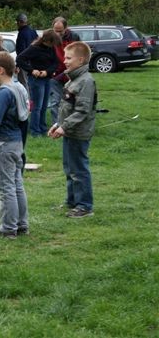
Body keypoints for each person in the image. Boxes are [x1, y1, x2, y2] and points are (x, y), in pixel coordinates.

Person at [48, 41, 96, 218]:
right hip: (69, 131)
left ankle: (84, 206)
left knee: (79, 169)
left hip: (78, 132)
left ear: (81, 59)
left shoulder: (86, 81)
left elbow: (82, 110)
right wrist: (57, 125)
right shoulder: (72, 79)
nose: (65, 61)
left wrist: (64, 127)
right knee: (69, 168)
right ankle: (72, 201)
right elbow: (66, 107)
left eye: (69, 58)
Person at [0, 52, 30, 239]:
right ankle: (21, 224)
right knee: (17, 184)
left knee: (5, 187)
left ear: (1, 70)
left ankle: (8, 228)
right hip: (16, 141)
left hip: (3, 143)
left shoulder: (4, 92)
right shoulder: (19, 87)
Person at [16, 29, 61, 137]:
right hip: (36, 80)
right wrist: (32, 70)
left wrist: (47, 72)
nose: (53, 45)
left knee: (45, 105)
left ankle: (42, 128)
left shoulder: (51, 49)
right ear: (46, 40)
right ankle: (35, 130)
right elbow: (20, 59)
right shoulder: (34, 48)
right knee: (37, 106)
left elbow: (56, 63)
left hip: (47, 79)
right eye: (52, 43)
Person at [50, 17, 80, 124]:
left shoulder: (74, 37)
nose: (58, 34)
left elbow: (80, 55)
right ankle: (56, 125)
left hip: (71, 75)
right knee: (55, 102)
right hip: (55, 75)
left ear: (66, 28)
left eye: (60, 31)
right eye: (56, 31)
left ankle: (70, 124)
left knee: (71, 101)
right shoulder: (50, 38)